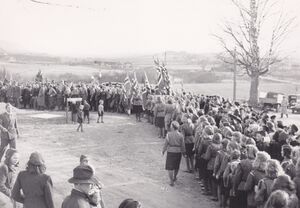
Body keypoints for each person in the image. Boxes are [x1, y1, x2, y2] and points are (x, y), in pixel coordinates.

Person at [162, 121, 186, 186]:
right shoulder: (181, 135)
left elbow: (166, 144)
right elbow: (183, 145)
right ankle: (175, 177)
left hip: (170, 151)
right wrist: (184, 153)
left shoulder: (168, 134)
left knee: (170, 167)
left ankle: (171, 181)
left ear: (172, 127)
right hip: (178, 152)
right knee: (176, 166)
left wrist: (163, 151)